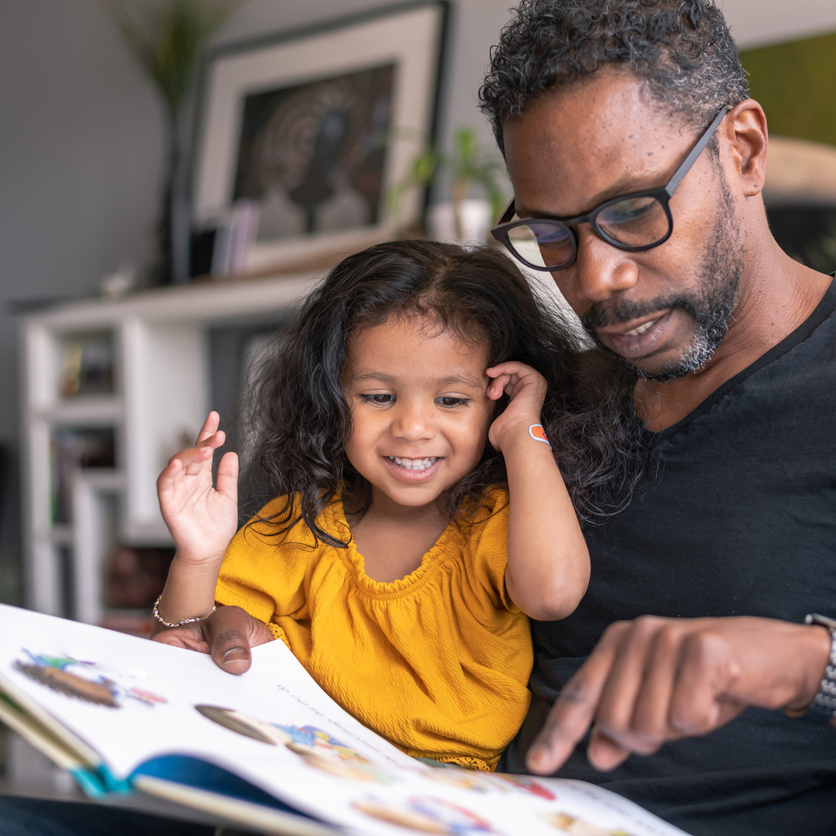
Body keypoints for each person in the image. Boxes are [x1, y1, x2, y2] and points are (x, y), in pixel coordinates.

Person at [474, 0, 836, 833]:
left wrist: (800, 664)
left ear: (742, 150)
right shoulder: (541, 400)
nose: (596, 279)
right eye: (554, 234)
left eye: (634, 210)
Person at [152, 240, 644, 771]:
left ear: (497, 401)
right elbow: (181, 649)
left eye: (452, 401)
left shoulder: (497, 522)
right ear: (330, 399)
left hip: (445, 793)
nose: (412, 428)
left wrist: (525, 432)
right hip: (302, 765)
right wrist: (199, 556)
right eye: (378, 397)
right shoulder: (298, 526)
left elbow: (553, 595)